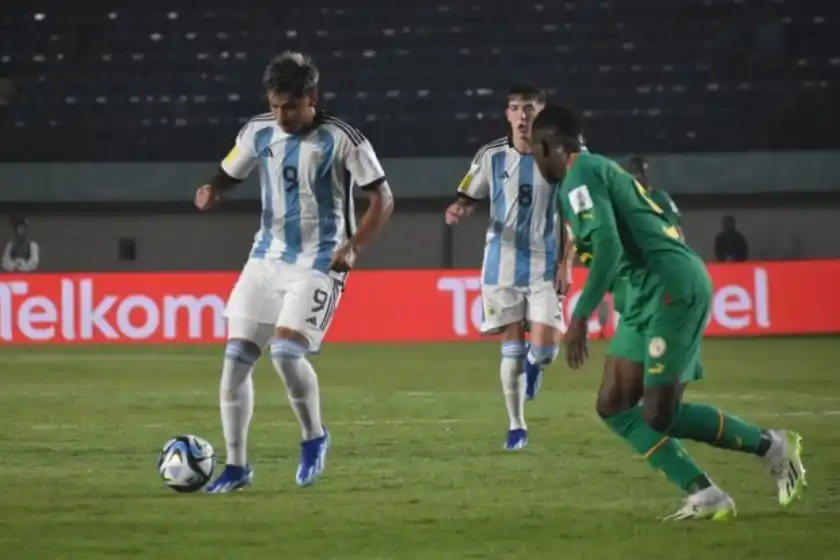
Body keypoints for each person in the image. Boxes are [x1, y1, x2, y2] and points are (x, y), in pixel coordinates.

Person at [530, 104, 806, 520]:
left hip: (671, 289)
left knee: (659, 413)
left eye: (536, 150)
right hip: (643, 298)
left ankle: (771, 445)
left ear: (549, 144)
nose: (535, 159)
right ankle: (705, 494)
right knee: (613, 405)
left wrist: (581, 314)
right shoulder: (588, 175)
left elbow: (608, 246)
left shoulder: (580, 175)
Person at [194, 51, 394, 493]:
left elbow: (383, 199)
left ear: (311, 99)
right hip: (265, 259)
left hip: (321, 262)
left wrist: (354, 246)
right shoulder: (257, 131)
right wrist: (211, 190)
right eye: (275, 106)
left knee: (286, 354)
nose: (281, 116)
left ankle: (313, 436)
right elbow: (229, 174)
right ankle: (237, 466)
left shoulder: (344, 139)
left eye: (290, 106)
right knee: (234, 366)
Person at [445, 85, 563, 450]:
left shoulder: (558, 155)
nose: (522, 115)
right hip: (502, 264)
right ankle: (516, 426)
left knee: (544, 349)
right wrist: (459, 209)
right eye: (515, 108)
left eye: (529, 108)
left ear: (541, 112)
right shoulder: (491, 156)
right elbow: (468, 195)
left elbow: (573, 213)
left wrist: (569, 264)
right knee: (510, 347)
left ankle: (536, 366)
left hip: (545, 263)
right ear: (507, 115)